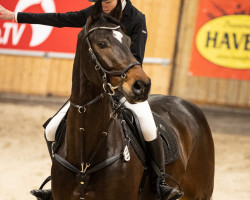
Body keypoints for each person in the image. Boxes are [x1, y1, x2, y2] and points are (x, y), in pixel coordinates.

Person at [0, 1, 181, 200]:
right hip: (95, 91)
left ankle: (159, 183)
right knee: (52, 128)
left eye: (108, 2)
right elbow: (60, 19)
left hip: (123, 87)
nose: (103, 5)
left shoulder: (136, 18)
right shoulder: (94, 13)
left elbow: (136, 57)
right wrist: (15, 16)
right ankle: (59, 180)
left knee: (147, 126)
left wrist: (118, 85)